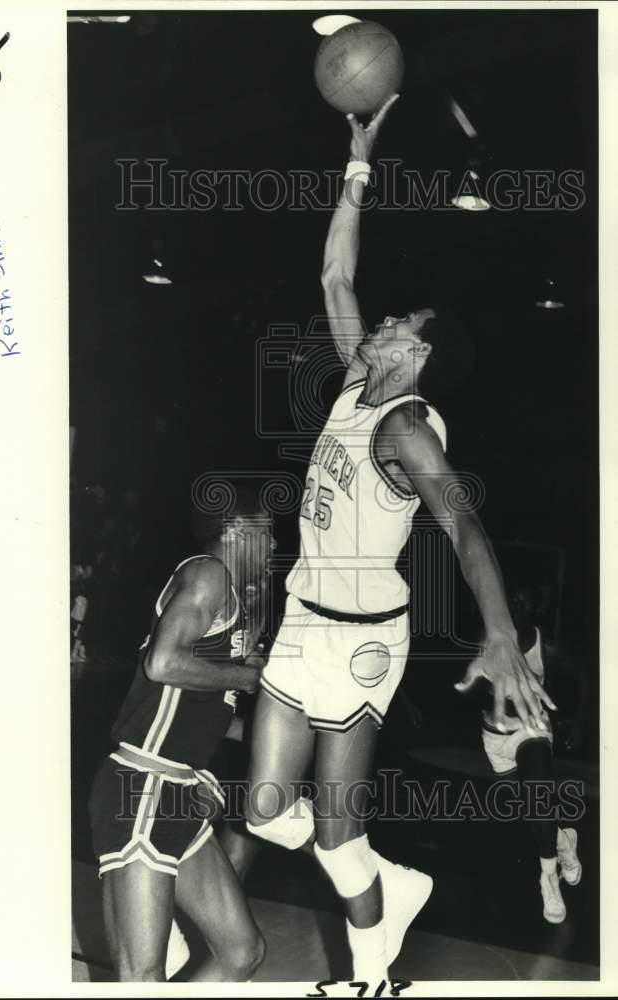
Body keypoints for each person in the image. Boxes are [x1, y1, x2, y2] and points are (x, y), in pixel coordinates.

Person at [240, 97, 556, 982]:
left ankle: (372, 971)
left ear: (415, 358)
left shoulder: (410, 427)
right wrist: (358, 163)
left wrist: (500, 635)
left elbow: (462, 523)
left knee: (339, 841)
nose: (381, 324)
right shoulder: (355, 383)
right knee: (268, 814)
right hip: (303, 618)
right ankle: (393, 884)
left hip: (362, 642)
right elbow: (337, 279)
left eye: (399, 326)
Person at [88, 493, 273, 981]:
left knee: (242, 952)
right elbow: (163, 663)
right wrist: (246, 678)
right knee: (141, 978)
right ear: (234, 531)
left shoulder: (231, 611)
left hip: (179, 796)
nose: (274, 543)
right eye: (266, 531)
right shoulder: (208, 574)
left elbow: (205, 715)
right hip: (141, 786)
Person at [472, 583, 584, 923]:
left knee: (538, 796)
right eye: (514, 597)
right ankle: (564, 838)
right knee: (531, 815)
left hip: (532, 729)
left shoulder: (542, 644)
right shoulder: (484, 638)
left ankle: (549, 879)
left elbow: (582, 672)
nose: (518, 602)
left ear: (535, 608)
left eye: (526, 598)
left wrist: (577, 720)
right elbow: (468, 687)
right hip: (495, 738)